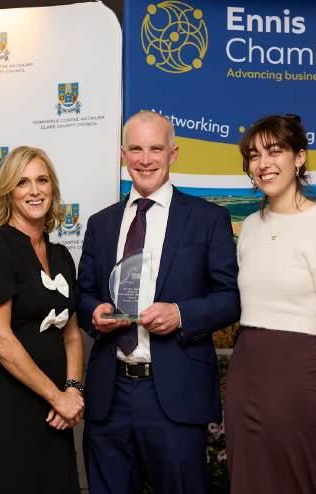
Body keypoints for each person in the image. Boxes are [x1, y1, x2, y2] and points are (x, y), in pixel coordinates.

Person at [77, 110, 240, 494]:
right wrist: (94, 312)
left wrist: (181, 314)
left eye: (155, 149)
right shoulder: (101, 223)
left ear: (173, 153)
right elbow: (83, 295)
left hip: (175, 395)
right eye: (136, 149)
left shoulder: (208, 219)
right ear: (123, 154)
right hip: (110, 394)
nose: (145, 159)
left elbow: (230, 299)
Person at [225, 114, 316, 494]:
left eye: (275, 151)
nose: (263, 163)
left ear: (299, 157)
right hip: (244, 374)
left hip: (296, 378)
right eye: (254, 155)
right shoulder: (250, 228)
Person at [0, 146, 84, 494]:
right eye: (23, 182)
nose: (34, 191)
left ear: (52, 188)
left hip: (54, 409)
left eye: (42, 180)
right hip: (4, 405)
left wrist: (73, 390)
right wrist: (57, 397)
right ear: (8, 191)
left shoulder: (61, 255)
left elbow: (71, 335)